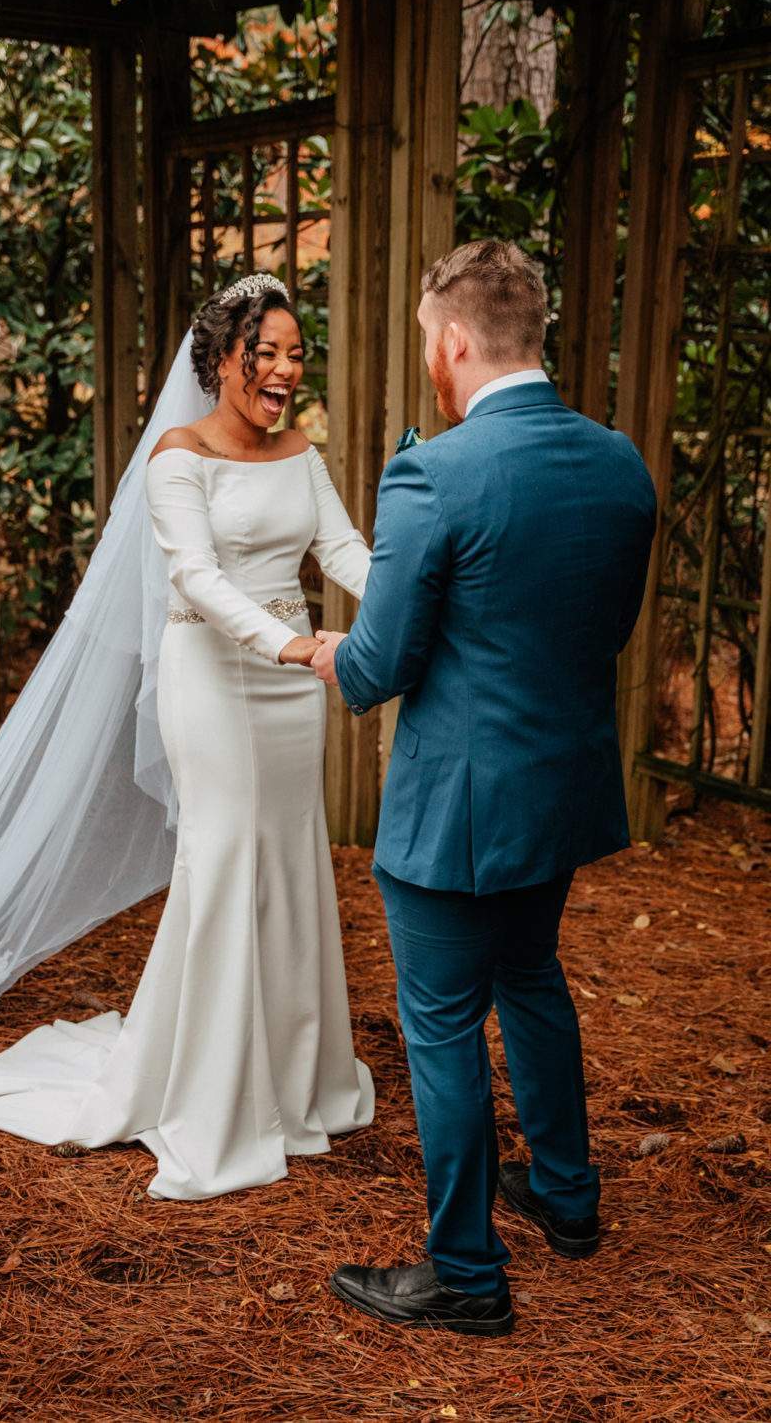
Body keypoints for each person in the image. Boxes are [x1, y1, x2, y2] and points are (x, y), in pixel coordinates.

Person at [0, 273, 375, 1197]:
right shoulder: (176, 457)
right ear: (221, 360)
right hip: (214, 680)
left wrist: (403, 605)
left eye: (295, 354)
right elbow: (195, 577)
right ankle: (213, 1094)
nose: (284, 371)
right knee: (223, 860)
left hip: (295, 692)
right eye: (265, 353)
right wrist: (290, 642)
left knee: (290, 859)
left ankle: (294, 1074)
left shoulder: (300, 452)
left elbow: (342, 549)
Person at [311, 239, 657, 1336]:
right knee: (531, 974)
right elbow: (599, 630)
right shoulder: (620, 463)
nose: (430, 357)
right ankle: (565, 1194)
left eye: (427, 339)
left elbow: (378, 664)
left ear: (454, 340)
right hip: (559, 791)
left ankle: (465, 1271)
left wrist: (324, 650)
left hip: (455, 811)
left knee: (442, 1022)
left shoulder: (435, 473)